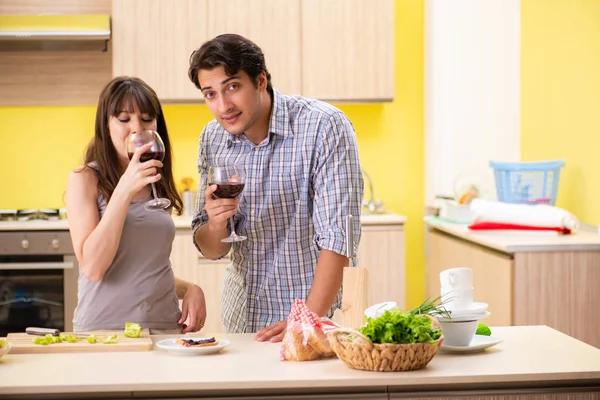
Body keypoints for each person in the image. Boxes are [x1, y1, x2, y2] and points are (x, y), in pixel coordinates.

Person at [188, 34, 363, 342]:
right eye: (210, 94)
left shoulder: (324, 126)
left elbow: (341, 238)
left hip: (317, 318)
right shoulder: (212, 138)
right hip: (243, 319)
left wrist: (306, 321)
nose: (223, 106)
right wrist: (216, 223)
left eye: (232, 87)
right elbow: (212, 249)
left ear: (260, 81)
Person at [66, 76, 207, 333]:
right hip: (105, 332)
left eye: (146, 119)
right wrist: (123, 191)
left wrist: (189, 288)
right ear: (105, 125)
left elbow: (142, 268)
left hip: (165, 327)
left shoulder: (155, 181)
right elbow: (94, 268)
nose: (136, 128)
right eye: (123, 119)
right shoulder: (85, 180)